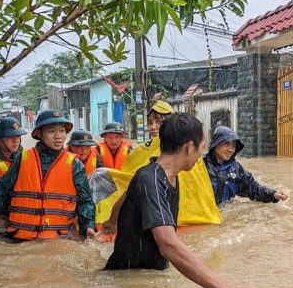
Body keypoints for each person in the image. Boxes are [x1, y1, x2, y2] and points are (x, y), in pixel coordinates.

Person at [104, 113, 274, 288]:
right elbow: (168, 245)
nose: (200, 156)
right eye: (201, 148)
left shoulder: (160, 174)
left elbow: (126, 194)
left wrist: (110, 223)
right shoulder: (151, 180)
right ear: (189, 147)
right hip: (129, 282)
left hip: (149, 275)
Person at [94, 100, 220, 235]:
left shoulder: (185, 157)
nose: (153, 127)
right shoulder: (147, 166)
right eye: (150, 122)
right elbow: (166, 243)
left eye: (159, 122)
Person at [1, 109, 96, 241]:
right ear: (39, 134)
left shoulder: (75, 164)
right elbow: (2, 193)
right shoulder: (23, 158)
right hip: (19, 237)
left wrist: (88, 226)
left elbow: (85, 201)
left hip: (59, 238)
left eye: (62, 131)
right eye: (52, 131)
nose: (58, 136)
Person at [204, 125, 288, 206]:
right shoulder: (201, 165)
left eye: (233, 146)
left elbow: (252, 188)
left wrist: (273, 194)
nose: (231, 150)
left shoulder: (236, 169)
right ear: (216, 143)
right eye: (227, 144)